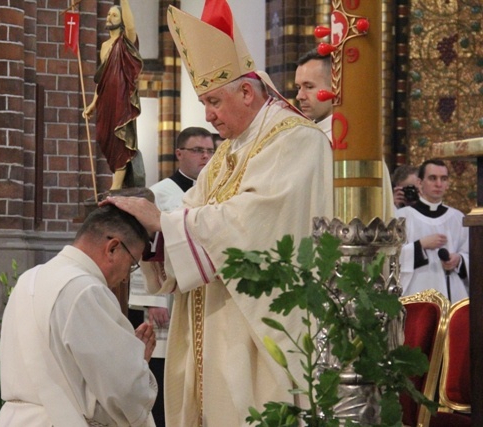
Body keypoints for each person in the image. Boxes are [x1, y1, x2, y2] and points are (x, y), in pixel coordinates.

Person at [103, 1, 334, 425]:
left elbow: (254, 223)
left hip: (255, 332)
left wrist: (164, 223)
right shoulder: (230, 149)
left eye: (212, 101)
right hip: (209, 323)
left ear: (246, 91)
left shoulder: (297, 141)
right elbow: (190, 213)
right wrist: (150, 228)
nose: (207, 116)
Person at [0, 205, 158, 427]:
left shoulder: (29, 279)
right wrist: (137, 364)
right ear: (113, 248)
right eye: (131, 265)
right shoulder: (86, 290)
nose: (126, 277)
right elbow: (122, 391)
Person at [128, 126, 215, 426]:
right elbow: (148, 247)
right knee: (168, 377)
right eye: (198, 150)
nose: (205, 157)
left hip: (203, 296)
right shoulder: (161, 193)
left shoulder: (214, 191)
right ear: (179, 153)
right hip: (167, 302)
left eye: (209, 151)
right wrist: (153, 301)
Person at [294, 47, 397, 218]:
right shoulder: (304, 136)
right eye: (298, 87)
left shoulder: (355, 139)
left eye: (309, 87)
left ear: (335, 87)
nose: (300, 96)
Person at [83, 0, 143, 190]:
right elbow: (101, 79)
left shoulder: (126, 42)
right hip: (106, 97)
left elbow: (132, 25)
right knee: (104, 136)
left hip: (121, 97)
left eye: (114, 15)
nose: (109, 17)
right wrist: (93, 103)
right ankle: (117, 183)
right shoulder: (105, 45)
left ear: (122, 20)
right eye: (108, 14)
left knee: (120, 139)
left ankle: (115, 187)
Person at [397, 159, 469, 303]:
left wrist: (459, 260)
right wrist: (420, 245)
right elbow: (391, 257)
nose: (438, 184)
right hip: (416, 294)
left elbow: (470, 255)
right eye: (432, 178)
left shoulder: (458, 218)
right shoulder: (403, 216)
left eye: (443, 179)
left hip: (453, 293)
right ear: (419, 182)